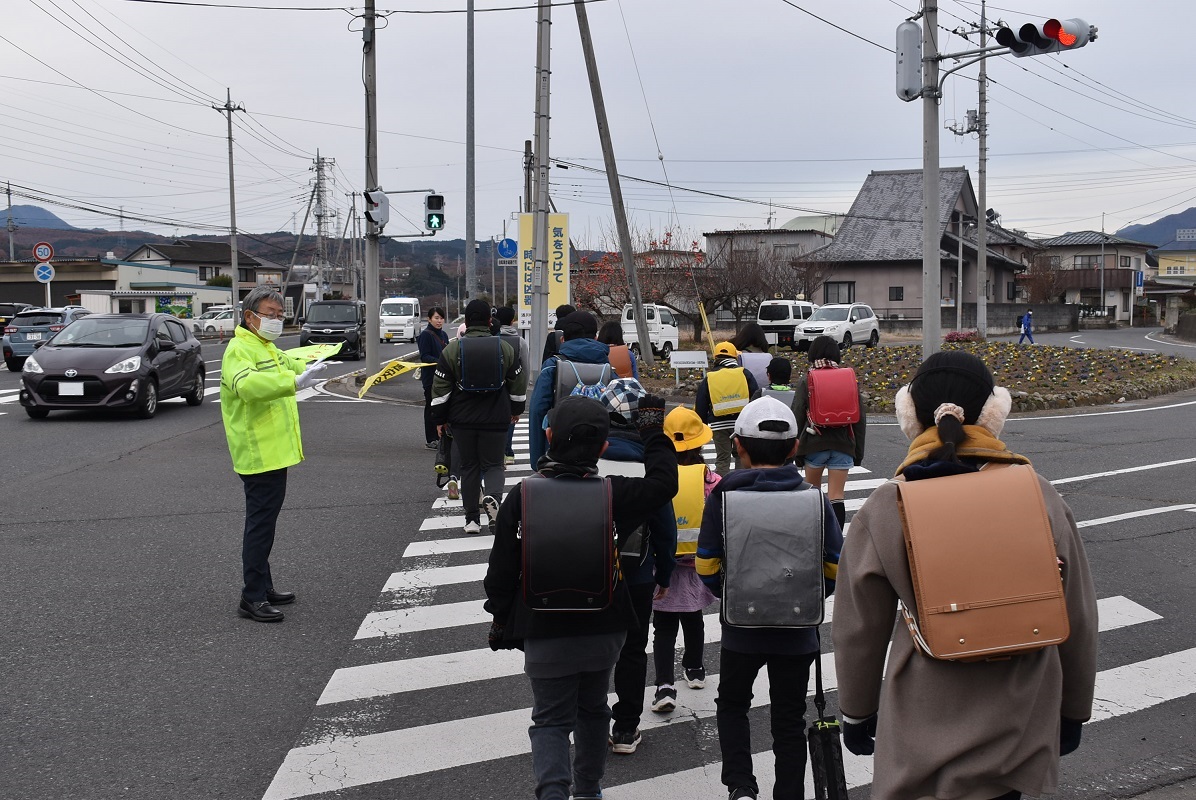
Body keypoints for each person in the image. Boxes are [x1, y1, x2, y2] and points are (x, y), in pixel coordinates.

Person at [832, 351, 1098, 800]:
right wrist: (1073, 711)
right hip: (1019, 729)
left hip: (923, 728)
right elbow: (1078, 615)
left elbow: (858, 630)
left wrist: (856, 712)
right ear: (993, 413)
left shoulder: (885, 508)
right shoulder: (1039, 495)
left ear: (909, 416)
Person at [483, 394, 677, 800]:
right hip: (603, 627)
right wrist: (653, 432)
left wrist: (501, 617)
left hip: (543, 625)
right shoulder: (612, 494)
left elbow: (500, 572)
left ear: (549, 435)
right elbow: (664, 484)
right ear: (603, 449)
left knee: (551, 720)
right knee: (593, 710)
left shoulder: (523, 495)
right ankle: (589, 791)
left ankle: (553, 793)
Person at [695, 396, 843, 800]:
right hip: (798, 632)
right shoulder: (814, 498)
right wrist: (810, 593)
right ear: (795, 448)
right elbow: (834, 566)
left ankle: (741, 786)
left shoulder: (723, 495)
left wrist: (732, 596)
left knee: (733, 704)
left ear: (738, 445)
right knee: (789, 719)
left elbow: (706, 563)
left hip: (742, 628)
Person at [221, 286, 327, 623]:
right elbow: (248, 385)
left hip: (273, 452)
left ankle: (263, 586)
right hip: (257, 452)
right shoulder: (239, 348)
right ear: (249, 316)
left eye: (280, 315)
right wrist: (293, 383)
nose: (276, 321)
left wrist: (315, 359)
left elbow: (290, 362)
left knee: (265, 523)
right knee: (260, 525)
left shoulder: (264, 345)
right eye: (270, 314)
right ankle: (251, 596)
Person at [595, 378, 677, 755]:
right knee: (632, 648)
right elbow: (664, 527)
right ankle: (625, 727)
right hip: (638, 571)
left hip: (590, 569)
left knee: (591, 644)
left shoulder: (590, 455)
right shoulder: (651, 463)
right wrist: (664, 573)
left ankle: (589, 718)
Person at [431, 299, 527, 534]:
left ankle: (471, 520)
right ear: (488, 321)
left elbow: (440, 388)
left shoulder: (453, 349)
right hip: (496, 417)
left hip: (462, 419)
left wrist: (439, 419)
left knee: (469, 466)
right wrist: (516, 411)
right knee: (494, 464)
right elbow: (518, 382)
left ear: (466, 322)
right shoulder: (505, 348)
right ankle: (493, 499)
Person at [650, 407, 719, 715]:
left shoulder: (656, 477)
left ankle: (664, 684)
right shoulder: (710, 479)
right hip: (698, 564)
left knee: (663, 626)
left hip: (663, 563)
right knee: (694, 618)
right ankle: (694, 668)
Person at [792, 335, 866, 529]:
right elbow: (860, 419)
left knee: (813, 494)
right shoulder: (848, 379)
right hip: (843, 444)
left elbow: (797, 414)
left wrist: (796, 452)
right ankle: (835, 540)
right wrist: (858, 453)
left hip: (814, 443)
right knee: (837, 496)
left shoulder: (807, 379)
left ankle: (817, 537)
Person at [528, 310, 610, 467]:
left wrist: (537, 460)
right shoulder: (608, 368)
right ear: (595, 338)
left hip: (558, 452)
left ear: (562, 339)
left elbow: (538, 409)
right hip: (597, 454)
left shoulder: (552, 365)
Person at [694, 341, 759, 475]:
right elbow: (756, 397)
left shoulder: (709, 378)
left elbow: (701, 404)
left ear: (716, 359)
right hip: (741, 424)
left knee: (722, 458)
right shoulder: (745, 374)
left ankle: (721, 490)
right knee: (741, 456)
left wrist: (702, 427)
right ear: (735, 357)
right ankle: (741, 487)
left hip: (719, 425)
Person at [495, 306, 530, 465]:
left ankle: (498, 451)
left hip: (495, 385)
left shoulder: (492, 338)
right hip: (514, 385)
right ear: (512, 320)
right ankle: (507, 452)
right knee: (511, 418)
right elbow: (526, 367)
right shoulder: (519, 341)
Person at [417, 306, 450, 449]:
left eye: (441, 318)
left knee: (442, 406)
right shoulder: (426, 335)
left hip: (444, 377)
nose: (439, 321)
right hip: (431, 377)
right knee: (431, 407)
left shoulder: (444, 335)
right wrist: (440, 362)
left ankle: (442, 436)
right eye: (436, 318)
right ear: (429, 319)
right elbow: (424, 356)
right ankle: (431, 439)